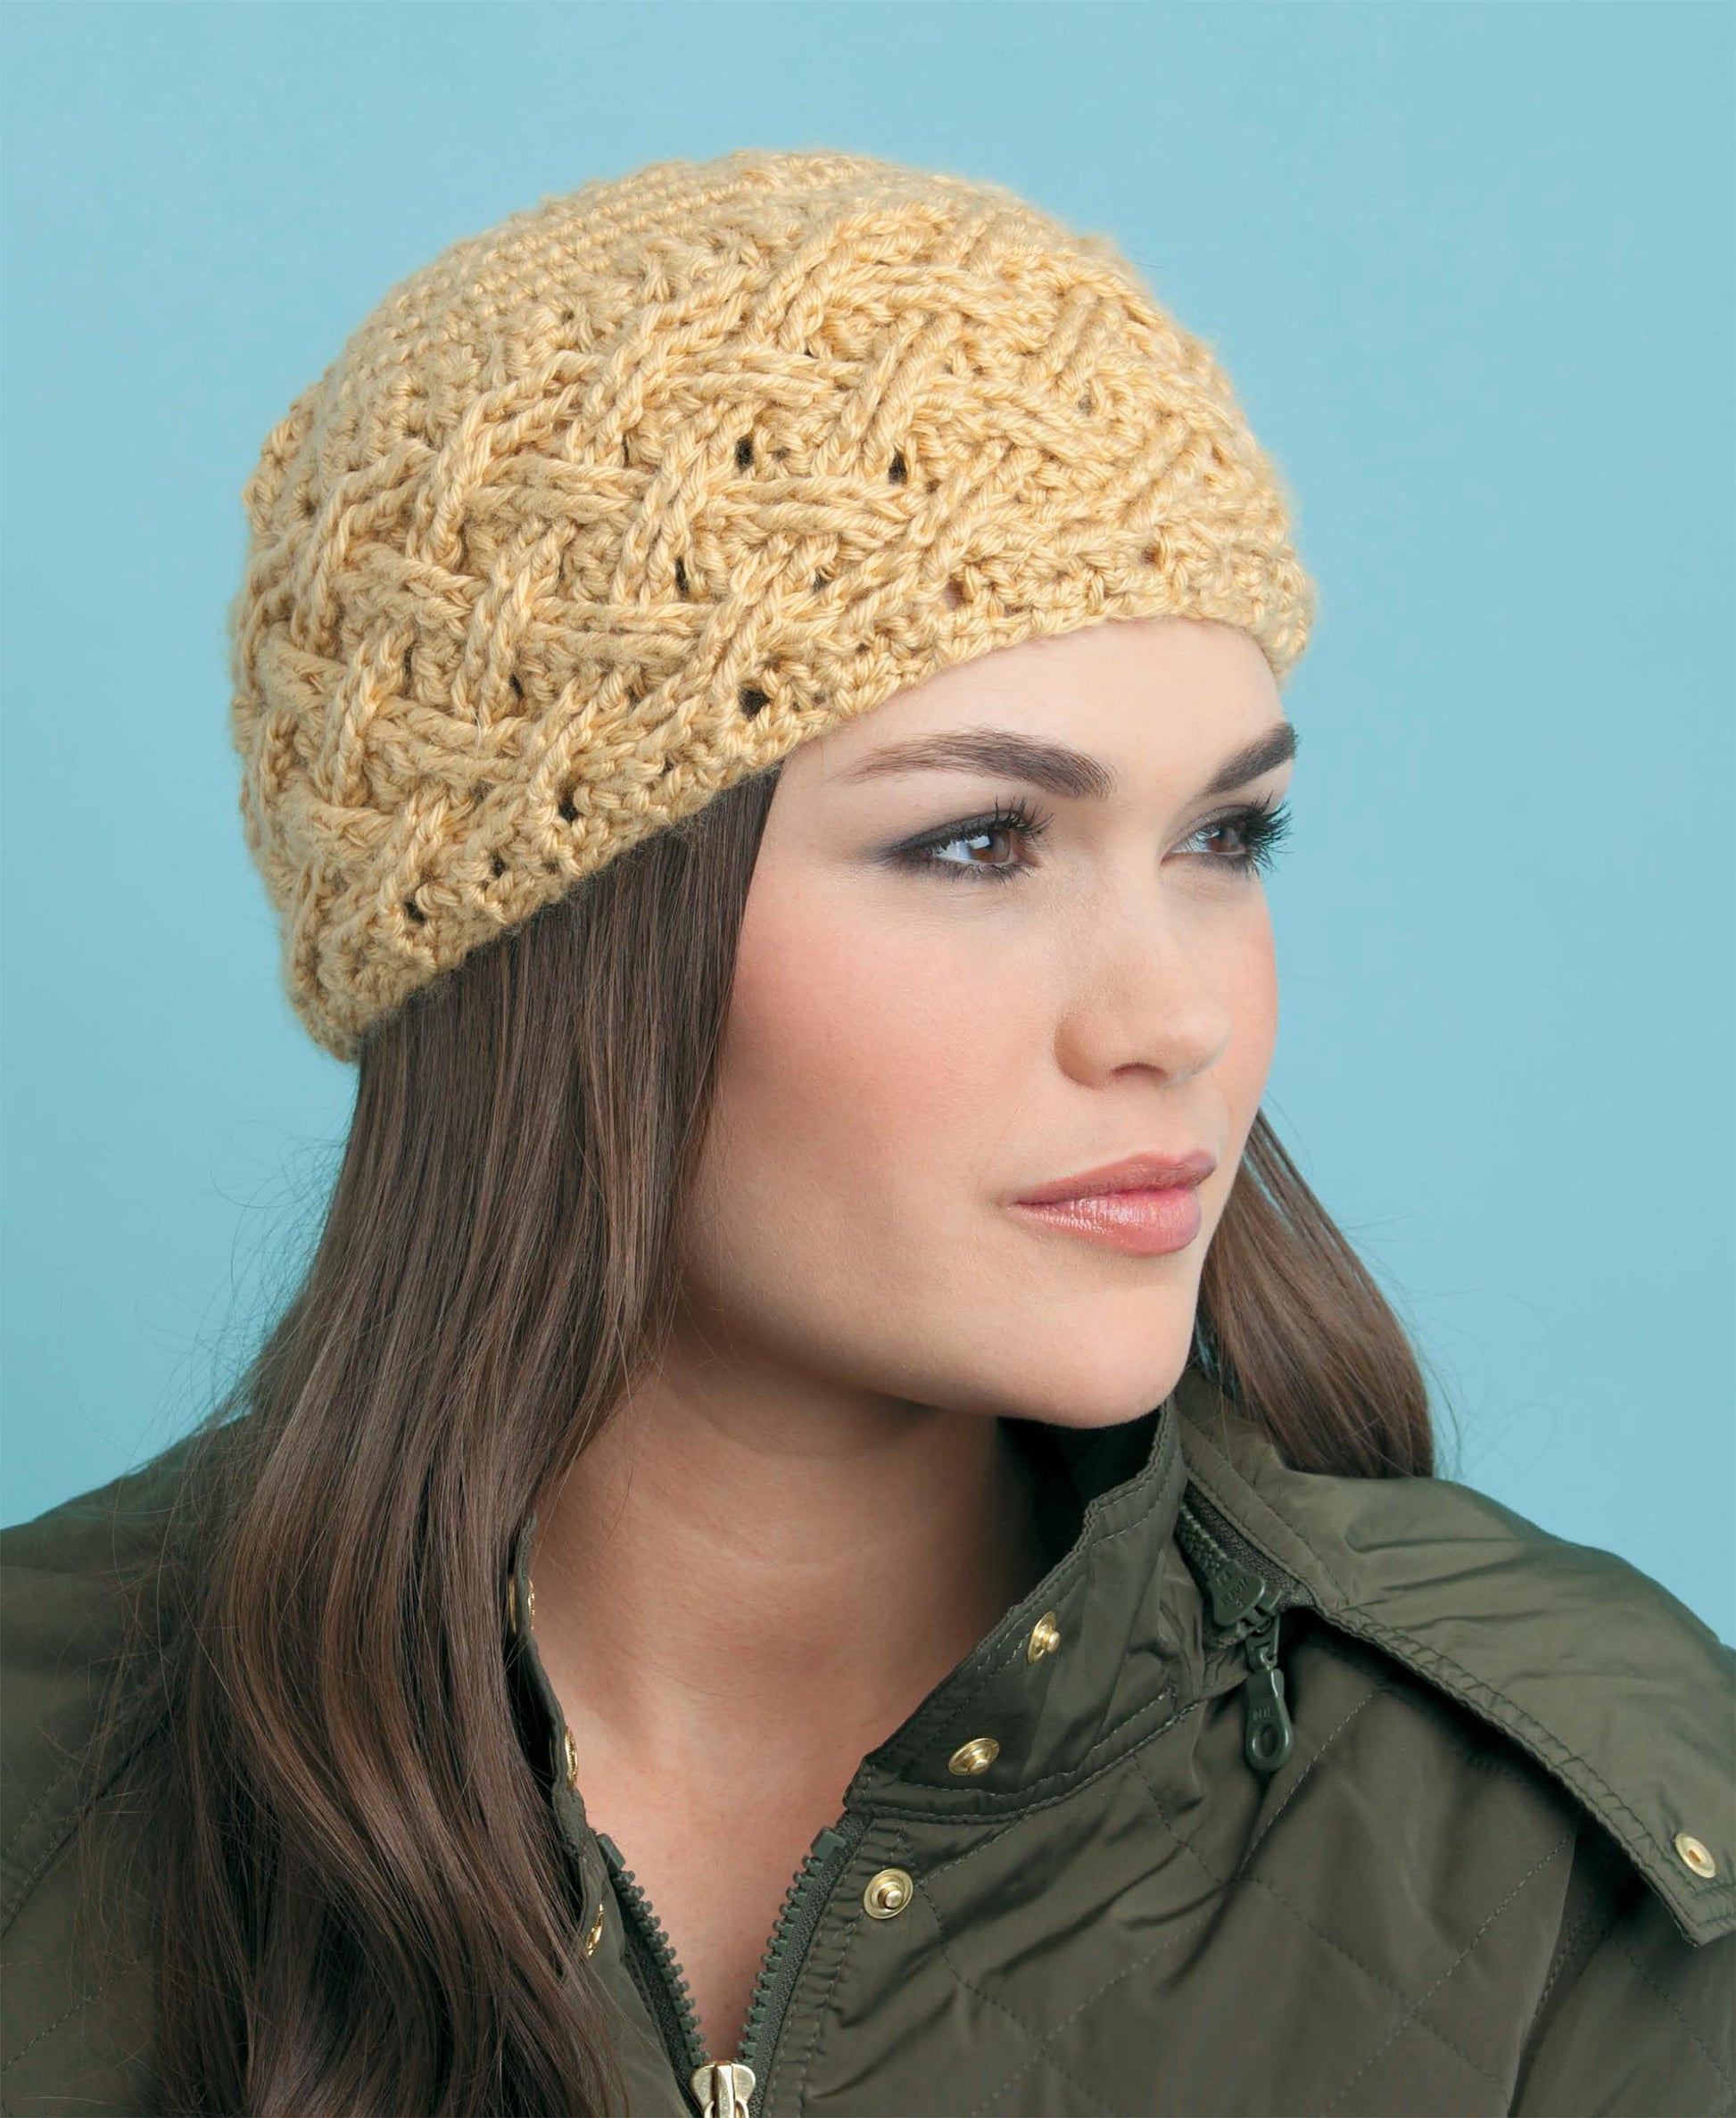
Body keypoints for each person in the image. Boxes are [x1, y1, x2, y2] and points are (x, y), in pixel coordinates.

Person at [2, 146, 1730, 2118]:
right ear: (536, 944)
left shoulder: (1568, 1818)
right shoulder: (39, 1785)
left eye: (1223, 836)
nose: (1172, 1017)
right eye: (977, 841)